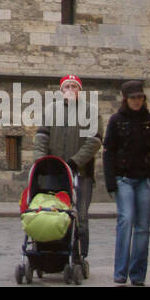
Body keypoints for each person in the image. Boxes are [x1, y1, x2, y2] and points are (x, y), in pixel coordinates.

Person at [103, 79, 150, 285]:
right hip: (123, 178)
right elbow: (109, 151)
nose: (137, 101)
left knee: (143, 227)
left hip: (145, 180)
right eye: (133, 97)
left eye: (140, 97)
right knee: (126, 220)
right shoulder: (116, 120)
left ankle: (137, 275)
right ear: (126, 99)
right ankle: (120, 272)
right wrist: (110, 180)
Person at [33, 74, 100, 263]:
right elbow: (41, 139)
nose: (71, 89)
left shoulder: (90, 112)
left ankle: (80, 255)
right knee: (52, 212)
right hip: (55, 173)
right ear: (61, 90)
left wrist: (75, 162)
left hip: (81, 173)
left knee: (81, 215)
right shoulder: (51, 111)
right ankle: (50, 251)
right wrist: (41, 163)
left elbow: (93, 141)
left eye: (74, 86)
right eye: (67, 86)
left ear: (80, 90)